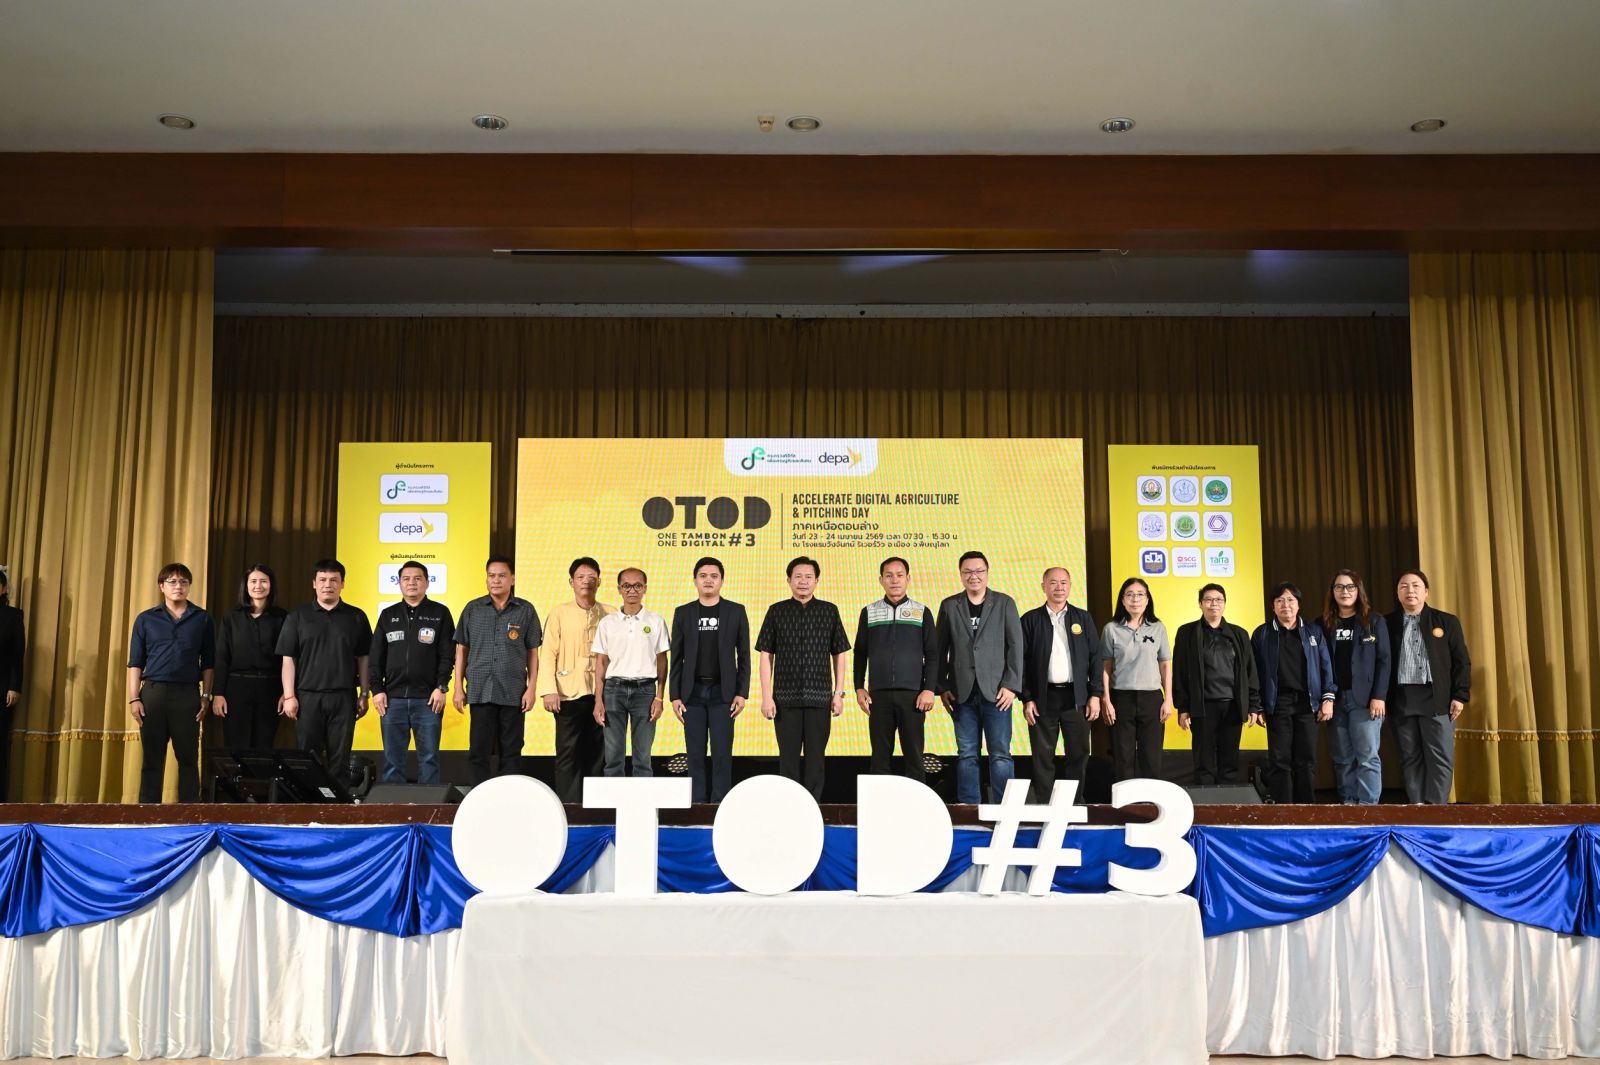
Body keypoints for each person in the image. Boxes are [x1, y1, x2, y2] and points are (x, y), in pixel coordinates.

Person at [755, 556, 850, 800]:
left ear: (817, 581)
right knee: (787, 760)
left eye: (809, 577)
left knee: (816, 760)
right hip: (784, 699)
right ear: (789, 580)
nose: (803, 581)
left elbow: (839, 653)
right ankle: (790, 806)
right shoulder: (776, 611)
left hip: (820, 698)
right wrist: (767, 697)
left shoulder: (829, 611)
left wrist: (838, 694)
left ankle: (812, 807)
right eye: (798, 576)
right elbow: (766, 655)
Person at [937, 550, 1024, 804]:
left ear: (987, 572)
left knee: (1000, 754)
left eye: (979, 571)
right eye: (967, 572)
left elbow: (1016, 646)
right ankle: (969, 809)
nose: (973, 576)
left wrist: (1011, 685)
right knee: (966, 754)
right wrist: (942, 686)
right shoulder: (949, 605)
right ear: (960, 574)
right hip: (961, 692)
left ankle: (1005, 809)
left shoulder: (1005, 603)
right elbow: (940, 650)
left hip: (998, 693)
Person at [275, 559, 372, 784]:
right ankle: (309, 801)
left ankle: (338, 803)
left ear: (342, 584)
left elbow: (364, 658)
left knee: (340, 759)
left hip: (343, 697)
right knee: (308, 758)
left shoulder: (356, 616)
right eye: (323, 580)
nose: (328, 585)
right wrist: (289, 696)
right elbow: (288, 658)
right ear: (314, 583)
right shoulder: (298, 616)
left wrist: (365, 693)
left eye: (334, 580)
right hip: (308, 697)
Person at [127, 562, 215, 803]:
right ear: (161, 586)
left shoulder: (202, 619)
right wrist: (134, 698)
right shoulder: (146, 619)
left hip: (187, 694)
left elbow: (209, 663)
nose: (178, 586)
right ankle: (148, 814)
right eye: (172, 582)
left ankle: (189, 813)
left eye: (184, 582)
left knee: (188, 759)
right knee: (152, 760)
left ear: (189, 586)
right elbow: (135, 662)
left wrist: (206, 696)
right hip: (153, 693)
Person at [1385, 569, 1471, 804]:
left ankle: (1436, 808)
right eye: (1404, 586)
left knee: (1440, 757)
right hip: (1401, 699)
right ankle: (1417, 806)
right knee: (1409, 757)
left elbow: (1461, 661)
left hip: (1437, 698)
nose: (1410, 591)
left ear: (1426, 591)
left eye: (1415, 586)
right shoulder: (1386, 623)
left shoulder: (1446, 621)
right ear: (1397, 593)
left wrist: (1460, 695)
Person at [454, 554, 541, 786]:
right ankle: (479, 796)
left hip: (513, 691)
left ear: (512, 578)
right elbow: (462, 649)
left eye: (502, 576)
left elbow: (533, 652)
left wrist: (531, 689)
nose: (496, 580)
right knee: (478, 751)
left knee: (511, 751)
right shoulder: (473, 609)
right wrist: (458, 688)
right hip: (480, 689)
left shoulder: (525, 610)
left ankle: (508, 796)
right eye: (491, 575)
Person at [668, 557, 750, 803]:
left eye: (714, 576)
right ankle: (697, 805)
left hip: (723, 693)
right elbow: (676, 658)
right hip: (691, 693)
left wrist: (741, 693)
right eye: (703, 576)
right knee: (694, 754)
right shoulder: (683, 613)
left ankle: (719, 804)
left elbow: (744, 655)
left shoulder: (736, 611)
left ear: (722, 581)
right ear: (695, 580)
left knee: (722, 754)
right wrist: (675, 695)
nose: (708, 580)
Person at [1018, 567, 1102, 802]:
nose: (1059, 587)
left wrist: (1095, 694)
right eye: (1053, 583)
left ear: (1070, 586)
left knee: (1078, 754)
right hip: (1042, 698)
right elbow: (1020, 661)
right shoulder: (1030, 619)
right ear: (1043, 586)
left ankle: (1073, 803)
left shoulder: (1083, 618)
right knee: (1042, 756)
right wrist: (1027, 698)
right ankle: (1046, 805)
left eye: (1064, 583)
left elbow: (1096, 658)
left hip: (1076, 697)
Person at [853, 556, 938, 781]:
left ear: (908, 578)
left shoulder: (921, 611)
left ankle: (917, 802)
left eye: (900, 575)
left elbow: (932, 654)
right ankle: (880, 802)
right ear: (880, 579)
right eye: (889, 576)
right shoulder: (869, 612)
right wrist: (859, 687)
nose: (894, 580)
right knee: (880, 757)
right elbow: (860, 652)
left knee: (914, 757)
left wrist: (929, 689)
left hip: (913, 696)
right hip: (878, 696)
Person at [371, 561, 456, 785]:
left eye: (418, 578)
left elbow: (447, 655)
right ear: (399, 583)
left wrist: (441, 687)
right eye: (406, 579)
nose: (412, 583)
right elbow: (375, 657)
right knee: (392, 761)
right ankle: (394, 804)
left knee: (429, 759)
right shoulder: (388, 615)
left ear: (427, 582)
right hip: (392, 700)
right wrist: (377, 690)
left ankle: (428, 805)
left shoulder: (440, 613)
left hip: (428, 699)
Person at [1251, 582, 1335, 803]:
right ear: (1273, 606)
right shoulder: (1262, 634)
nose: (1285, 605)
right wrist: (1257, 706)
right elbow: (1254, 673)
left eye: (1290, 600)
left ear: (1298, 605)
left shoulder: (1313, 631)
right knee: (1280, 760)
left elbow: (1326, 665)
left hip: (1308, 703)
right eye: (1279, 601)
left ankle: (1306, 809)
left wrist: (1328, 697)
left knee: (1306, 759)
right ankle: (1283, 810)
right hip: (1277, 703)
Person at [537, 557, 613, 802]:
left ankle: (596, 807)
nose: (586, 582)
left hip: (603, 694)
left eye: (591, 577)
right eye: (580, 577)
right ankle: (569, 807)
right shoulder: (559, 613)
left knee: (599, 753)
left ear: (599, 581)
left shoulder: (611, 613)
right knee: (568, 752)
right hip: (568, 693)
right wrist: (549, 690)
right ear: (571, 582)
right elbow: (548, 653)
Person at [1171, 583, 1260, 787]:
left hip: (1232, 706)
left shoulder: (1239, 634)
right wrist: (1183, 707)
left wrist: (1253, 705)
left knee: (1229, 760)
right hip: (1202, 707)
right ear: (1200, 604)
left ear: (1225, 604)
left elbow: (1250, 672)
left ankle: (1225, 802)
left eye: (1218, 599)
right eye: (1208, 599)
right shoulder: (1186, 633)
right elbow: (1180, 671)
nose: (1214, 604)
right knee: (1203, 761)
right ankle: (1205, 801)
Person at [1317, 570, 1391, 805]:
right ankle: (1349, 807)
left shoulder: (1374, 621)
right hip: (1335, 701)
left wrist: (1379, 696)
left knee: (1367, 757)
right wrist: (1325, 698)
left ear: (1359, 591)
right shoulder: (1322, 623)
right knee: (1342, 758)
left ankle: (1368, 809)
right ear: (1332, 592)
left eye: (1350, 587)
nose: (1345, 591)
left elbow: (1384, 661)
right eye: (1339, 587)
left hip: (1366, 700)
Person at [593, 568, 669, 778]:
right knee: (613, 756)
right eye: (626, 585)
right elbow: (601, 662)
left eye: (637, 585)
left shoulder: (656, 621)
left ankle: (641, 799)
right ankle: (614, 799)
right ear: (619, 589)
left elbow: (662, 661)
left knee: (643, 757)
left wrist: (659, 697)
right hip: (613, 690)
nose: (632, 590)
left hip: (645, 690)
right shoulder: (607, 623)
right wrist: (598, 700)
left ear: (645, 588)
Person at [1100, 578, 1173, 782]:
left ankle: (1150, 799)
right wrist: (1106, 699)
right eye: (1130, 595)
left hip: (1151, 699)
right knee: (1122, 758)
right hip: (1121, 699)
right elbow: (1105, 667)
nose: (1135, 599)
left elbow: (1165, 665)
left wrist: (1168, 699)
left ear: (1148, 600)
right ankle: (1124, 800)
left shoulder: (1158, 627)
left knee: (1151, 758)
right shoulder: (1111, 628)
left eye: (1140, 594)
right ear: (1122, 600)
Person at [212, 563, 287, 752]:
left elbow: (289, 658)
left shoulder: (283, 617)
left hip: (271, 688)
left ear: (271, 585)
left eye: (263, 581)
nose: (258, 586)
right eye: (253, 581)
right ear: (245, 586)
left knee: (264, 747)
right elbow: (221, 657)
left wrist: (287, 693)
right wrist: (218, 693)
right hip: (236, 689)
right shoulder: (232, 617)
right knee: (235, 746)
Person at [0, 565, 23, 801]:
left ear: (4, 588)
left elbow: (18, 654)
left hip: (2, 686)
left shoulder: (13, 616)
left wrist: (15, 686)